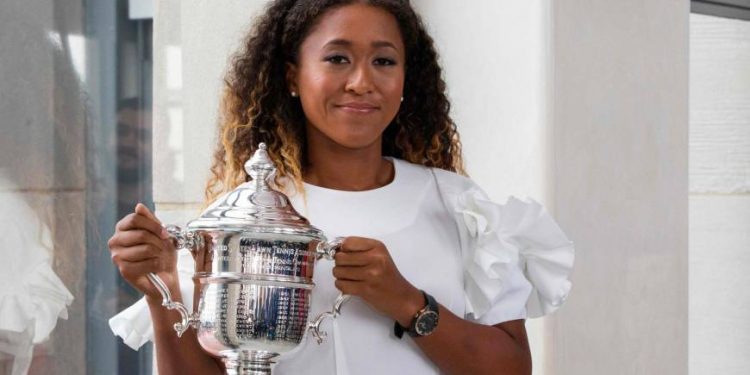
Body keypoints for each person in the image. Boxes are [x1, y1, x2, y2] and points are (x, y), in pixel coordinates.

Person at [107, 1, 575, 374]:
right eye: (337, 58)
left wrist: (406, 302)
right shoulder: (245, 218)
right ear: (293, 76)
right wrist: (161, 289)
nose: (361, 82)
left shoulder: (459, 208)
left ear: (406, 79)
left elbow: (512, 368)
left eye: (384, 61)